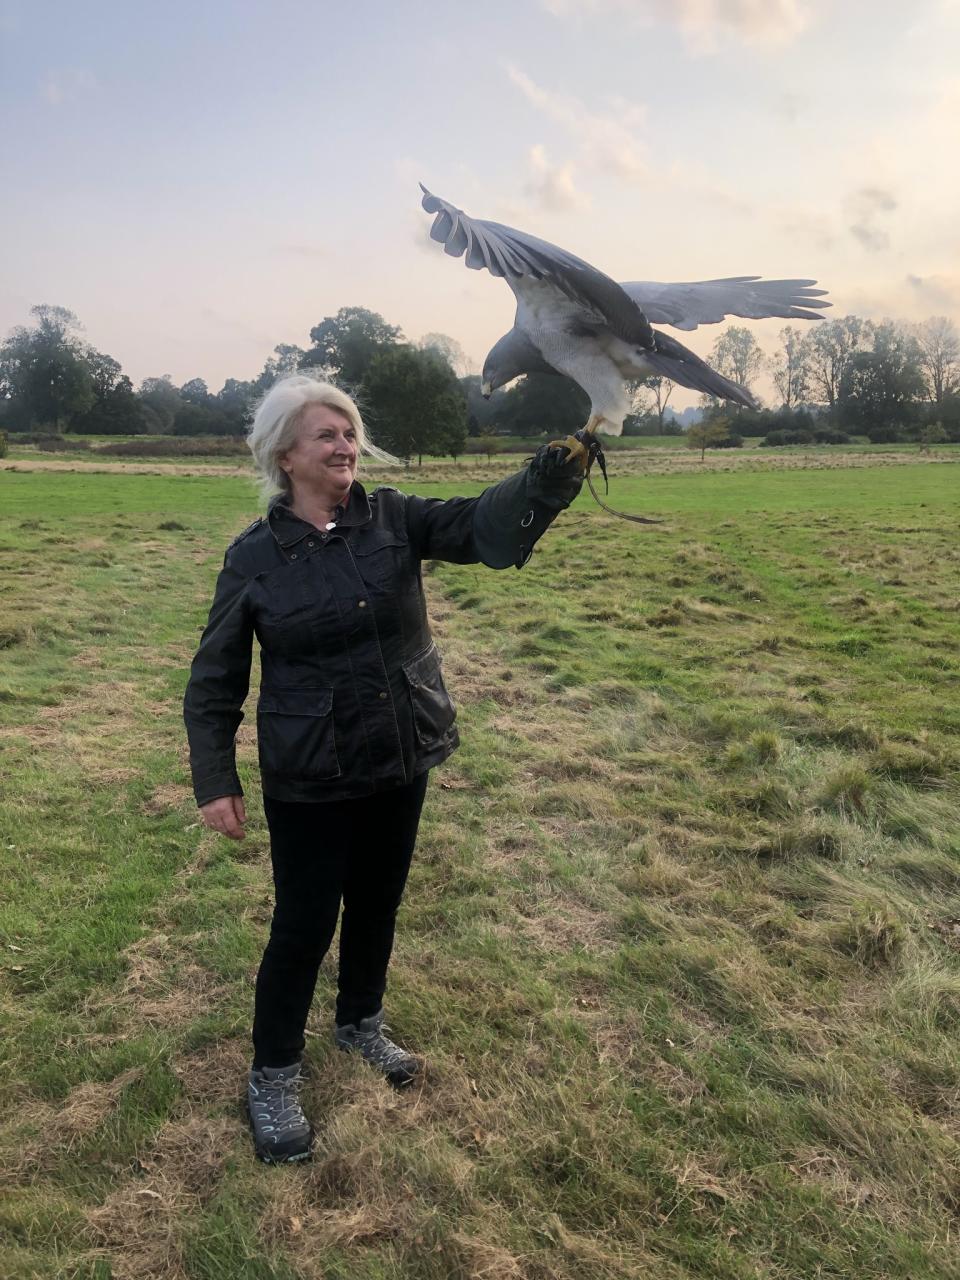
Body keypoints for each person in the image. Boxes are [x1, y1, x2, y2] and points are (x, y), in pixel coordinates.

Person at [182, 373, 584, 1164]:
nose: (344, 445)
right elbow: (215, 677)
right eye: (326, 434)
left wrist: (546, 479)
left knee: (377, 902)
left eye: (349, 431)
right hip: (310, 772)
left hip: (401, 752)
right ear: (284, 455)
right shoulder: (255, 558)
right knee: (303, 925)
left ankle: (361, 1023)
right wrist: (215, 778)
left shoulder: (394, 517)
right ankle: (273, 1075)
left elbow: (481, 529)